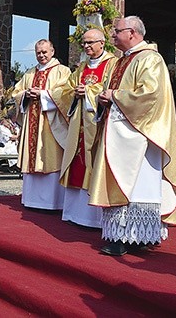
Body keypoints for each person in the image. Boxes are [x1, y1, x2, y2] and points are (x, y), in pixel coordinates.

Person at [90, 16, 176, 256]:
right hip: (117, 132)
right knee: (122, 182)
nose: (112, 36)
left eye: (116, 31)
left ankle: (135, 236)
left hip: (141, 137)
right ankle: (122, 236)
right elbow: (107, 91)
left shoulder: (150, 59)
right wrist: (103, 98)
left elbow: (150, 95)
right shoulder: (117, 62)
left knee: (139, 185)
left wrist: (114, 96)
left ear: (131, 32)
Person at [52, 29, 116, 228]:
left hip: (98, 124)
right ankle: (75, 213)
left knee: (94, 162)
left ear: (102, 43)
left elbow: (112, 87)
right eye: (84, 43)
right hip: (78, 123)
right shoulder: (81, 67)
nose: (86, 46)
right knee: (76, 162)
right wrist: (75, 92)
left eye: (90, 43)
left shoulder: (112, 64)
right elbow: (65, 90)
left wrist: (88, 91)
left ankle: (94, 218)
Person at [12, 39, 70, 210]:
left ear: (52, 51)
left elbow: (66, 94)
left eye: (45, 52)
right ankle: (31, 200)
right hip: (32, 121)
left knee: (50, 156)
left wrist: (44, 95)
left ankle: (53, 203)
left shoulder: (62, 71)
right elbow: (16, 92)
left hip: (50, 125)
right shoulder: (29, 73)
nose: (41, 55)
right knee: (31, 157)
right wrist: (25, 94)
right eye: (38, 52)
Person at [0, 107, 20, 171]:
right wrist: (20, 136)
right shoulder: (3, 126)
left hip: (14, 143)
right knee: (14, 149)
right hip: (4, 145)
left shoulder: (15, 125)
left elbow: (18, 134)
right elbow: (10, 137)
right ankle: (15, 166)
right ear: (14, 116)